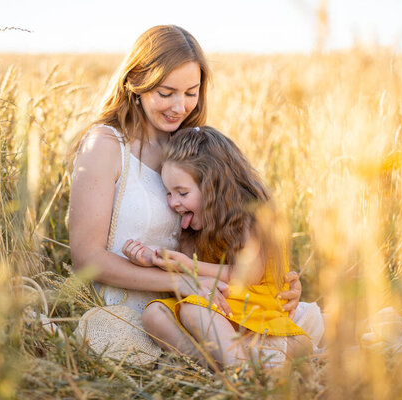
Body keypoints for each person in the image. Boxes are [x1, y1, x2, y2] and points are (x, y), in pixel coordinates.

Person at [68, 25, 303, 329]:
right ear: (135, 84)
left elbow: (235, 221)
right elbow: (87, 259)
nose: (180, 107)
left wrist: (278, 282)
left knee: (304, 327)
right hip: (127, 311)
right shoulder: (106, 145)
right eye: (166, 93)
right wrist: (180, 282)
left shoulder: (189, 150)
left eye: (191, 93)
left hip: (201, 301)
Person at [123, 126, 313, 367]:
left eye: (182, 193)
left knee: (194, 310)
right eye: (169, 193)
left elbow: (246, 275)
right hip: (221, 314)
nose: (173, 203)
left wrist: (187, 265)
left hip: (256, 314)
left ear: (214, 187)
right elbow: (188, 277)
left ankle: (241, 374)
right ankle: (203, 365)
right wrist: (153, 260)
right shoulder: (197, 229)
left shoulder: (251, 217)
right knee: (154, 315)